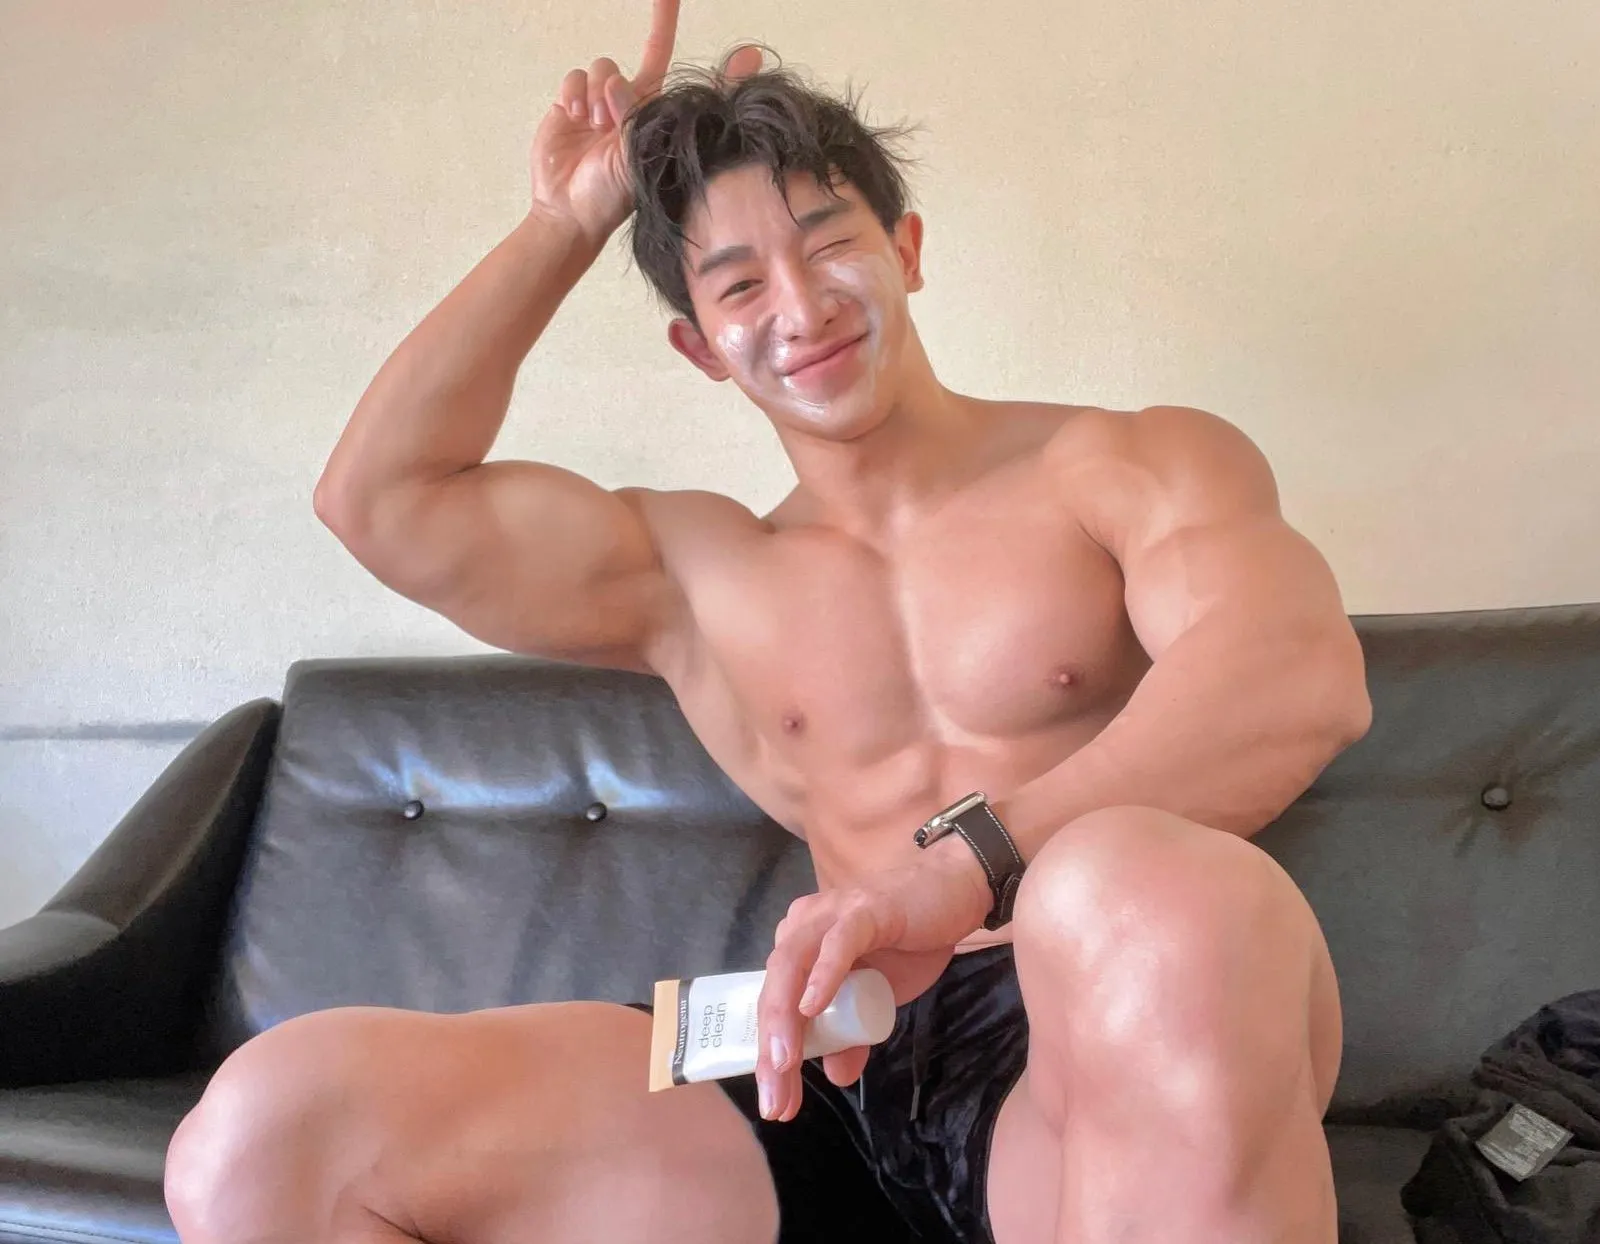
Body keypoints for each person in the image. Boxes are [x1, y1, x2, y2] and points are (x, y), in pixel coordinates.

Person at [163, 2, 1372, 1241]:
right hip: (830, 1057)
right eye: (740, 284)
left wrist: (963, 868)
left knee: (1147, 893)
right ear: (700, 347)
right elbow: (379, 501)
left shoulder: (1124, 463)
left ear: (905, 248)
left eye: (827, 244)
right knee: (268, 1129)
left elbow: (1293, 675)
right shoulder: (699, 571)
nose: (799, 307)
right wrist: (565, 222)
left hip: (1094, 1038)